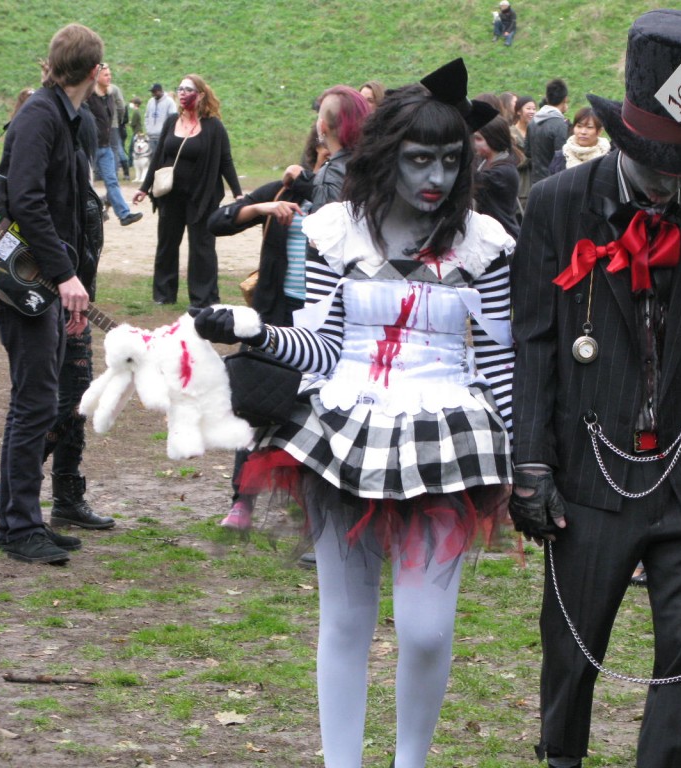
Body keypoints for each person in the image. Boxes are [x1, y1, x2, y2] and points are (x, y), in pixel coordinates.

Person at [192, 58, 515, 768]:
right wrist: (251, 331)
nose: (435, 177)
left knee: (427, 629)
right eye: (418, 159)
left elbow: (500, 362)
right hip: (346, 430)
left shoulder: (484, 243)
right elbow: (320, 346)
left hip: (448, 437)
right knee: (344, 619)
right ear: (385, 155)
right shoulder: (335, 230)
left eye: (450, 161)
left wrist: (524, 463)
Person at [511, 11, 681, 767]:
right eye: (660, 163)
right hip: (590, 471)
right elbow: (532, 341)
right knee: (571, 648)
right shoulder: (560, 204)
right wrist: (530, 461)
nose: (675, 183)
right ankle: (561, 758)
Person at [209, 85, 371, 535]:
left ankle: (303, 506)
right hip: (276, 315)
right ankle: (244, 501)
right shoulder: (293, 189)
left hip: (324, 319)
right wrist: (265, 205)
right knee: (254, 401)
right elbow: (216, 221)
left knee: (314, 408)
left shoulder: (351, 191)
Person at [0, 23, 107, 564]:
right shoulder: (40, 115)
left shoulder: (65, 115)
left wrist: (71, 287)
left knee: (40, 402)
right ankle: (17, 528)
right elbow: (28, 202)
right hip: (27, 285)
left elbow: (67, 207)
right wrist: (65, 277)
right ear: (91, 68)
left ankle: (27, 518)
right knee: (33, 403)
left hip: (50, 284)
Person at [133, 74, 242, 308]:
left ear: (200, 94)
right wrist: (144, 188)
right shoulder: (172, 121)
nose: (182, 93)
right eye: (180, 89)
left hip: (201, 196)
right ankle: (163, 294)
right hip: (170, 195)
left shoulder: (214, 127)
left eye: (188, 90)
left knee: (202, 248)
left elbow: (226, 161)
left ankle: (203, 298)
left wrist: (238, 192)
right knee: (167, 245)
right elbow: (159, 155)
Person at [86, 64, 142, 227]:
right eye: (105, 75)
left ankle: (124, 214)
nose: (109, 77)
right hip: (91, 147)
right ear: (96, 77)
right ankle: (93, 212)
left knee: (112, 181)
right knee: (87, 182)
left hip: (105, 145)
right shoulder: (89, 96)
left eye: (109, 74)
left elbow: (116, 113)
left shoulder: (110, 95)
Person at [473, 111, 522, 237]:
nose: (474, 143)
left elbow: (472, 181)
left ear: (493, 140)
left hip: (502, 237)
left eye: (478, 139)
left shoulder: (502, 171)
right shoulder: (485, 161)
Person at [527, 78, 569, 185]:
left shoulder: (533, 122)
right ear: (565, 99)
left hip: (535, 182)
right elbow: (562, 158)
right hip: (554, 183)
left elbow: (527, 151)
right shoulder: (560, 125)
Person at [547, 106, 610, 175]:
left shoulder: (607, 159)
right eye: (579, 126)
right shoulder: (560, 157)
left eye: (589, 127)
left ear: (599, 131)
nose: (583, 132)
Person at [510, 94, 536, 214]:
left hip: (535, 183)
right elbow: (515, 159)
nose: (532, 112)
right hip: (520, 185)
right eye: (528, 108)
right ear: (519, 111)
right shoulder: (510, 133)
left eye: (534, 109)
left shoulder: (537, 131)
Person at [143, 82, 176, 155]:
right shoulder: (150, 101)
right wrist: (148, 129)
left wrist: (167, 132)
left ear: (160, 91)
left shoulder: (169, 102)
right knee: (152, 157)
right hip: (151, 136)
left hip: (163, 136)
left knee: (161, 156)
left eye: (154, 92)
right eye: (152, 92)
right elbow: (147, 116)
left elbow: (173, 119)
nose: (153, 94)